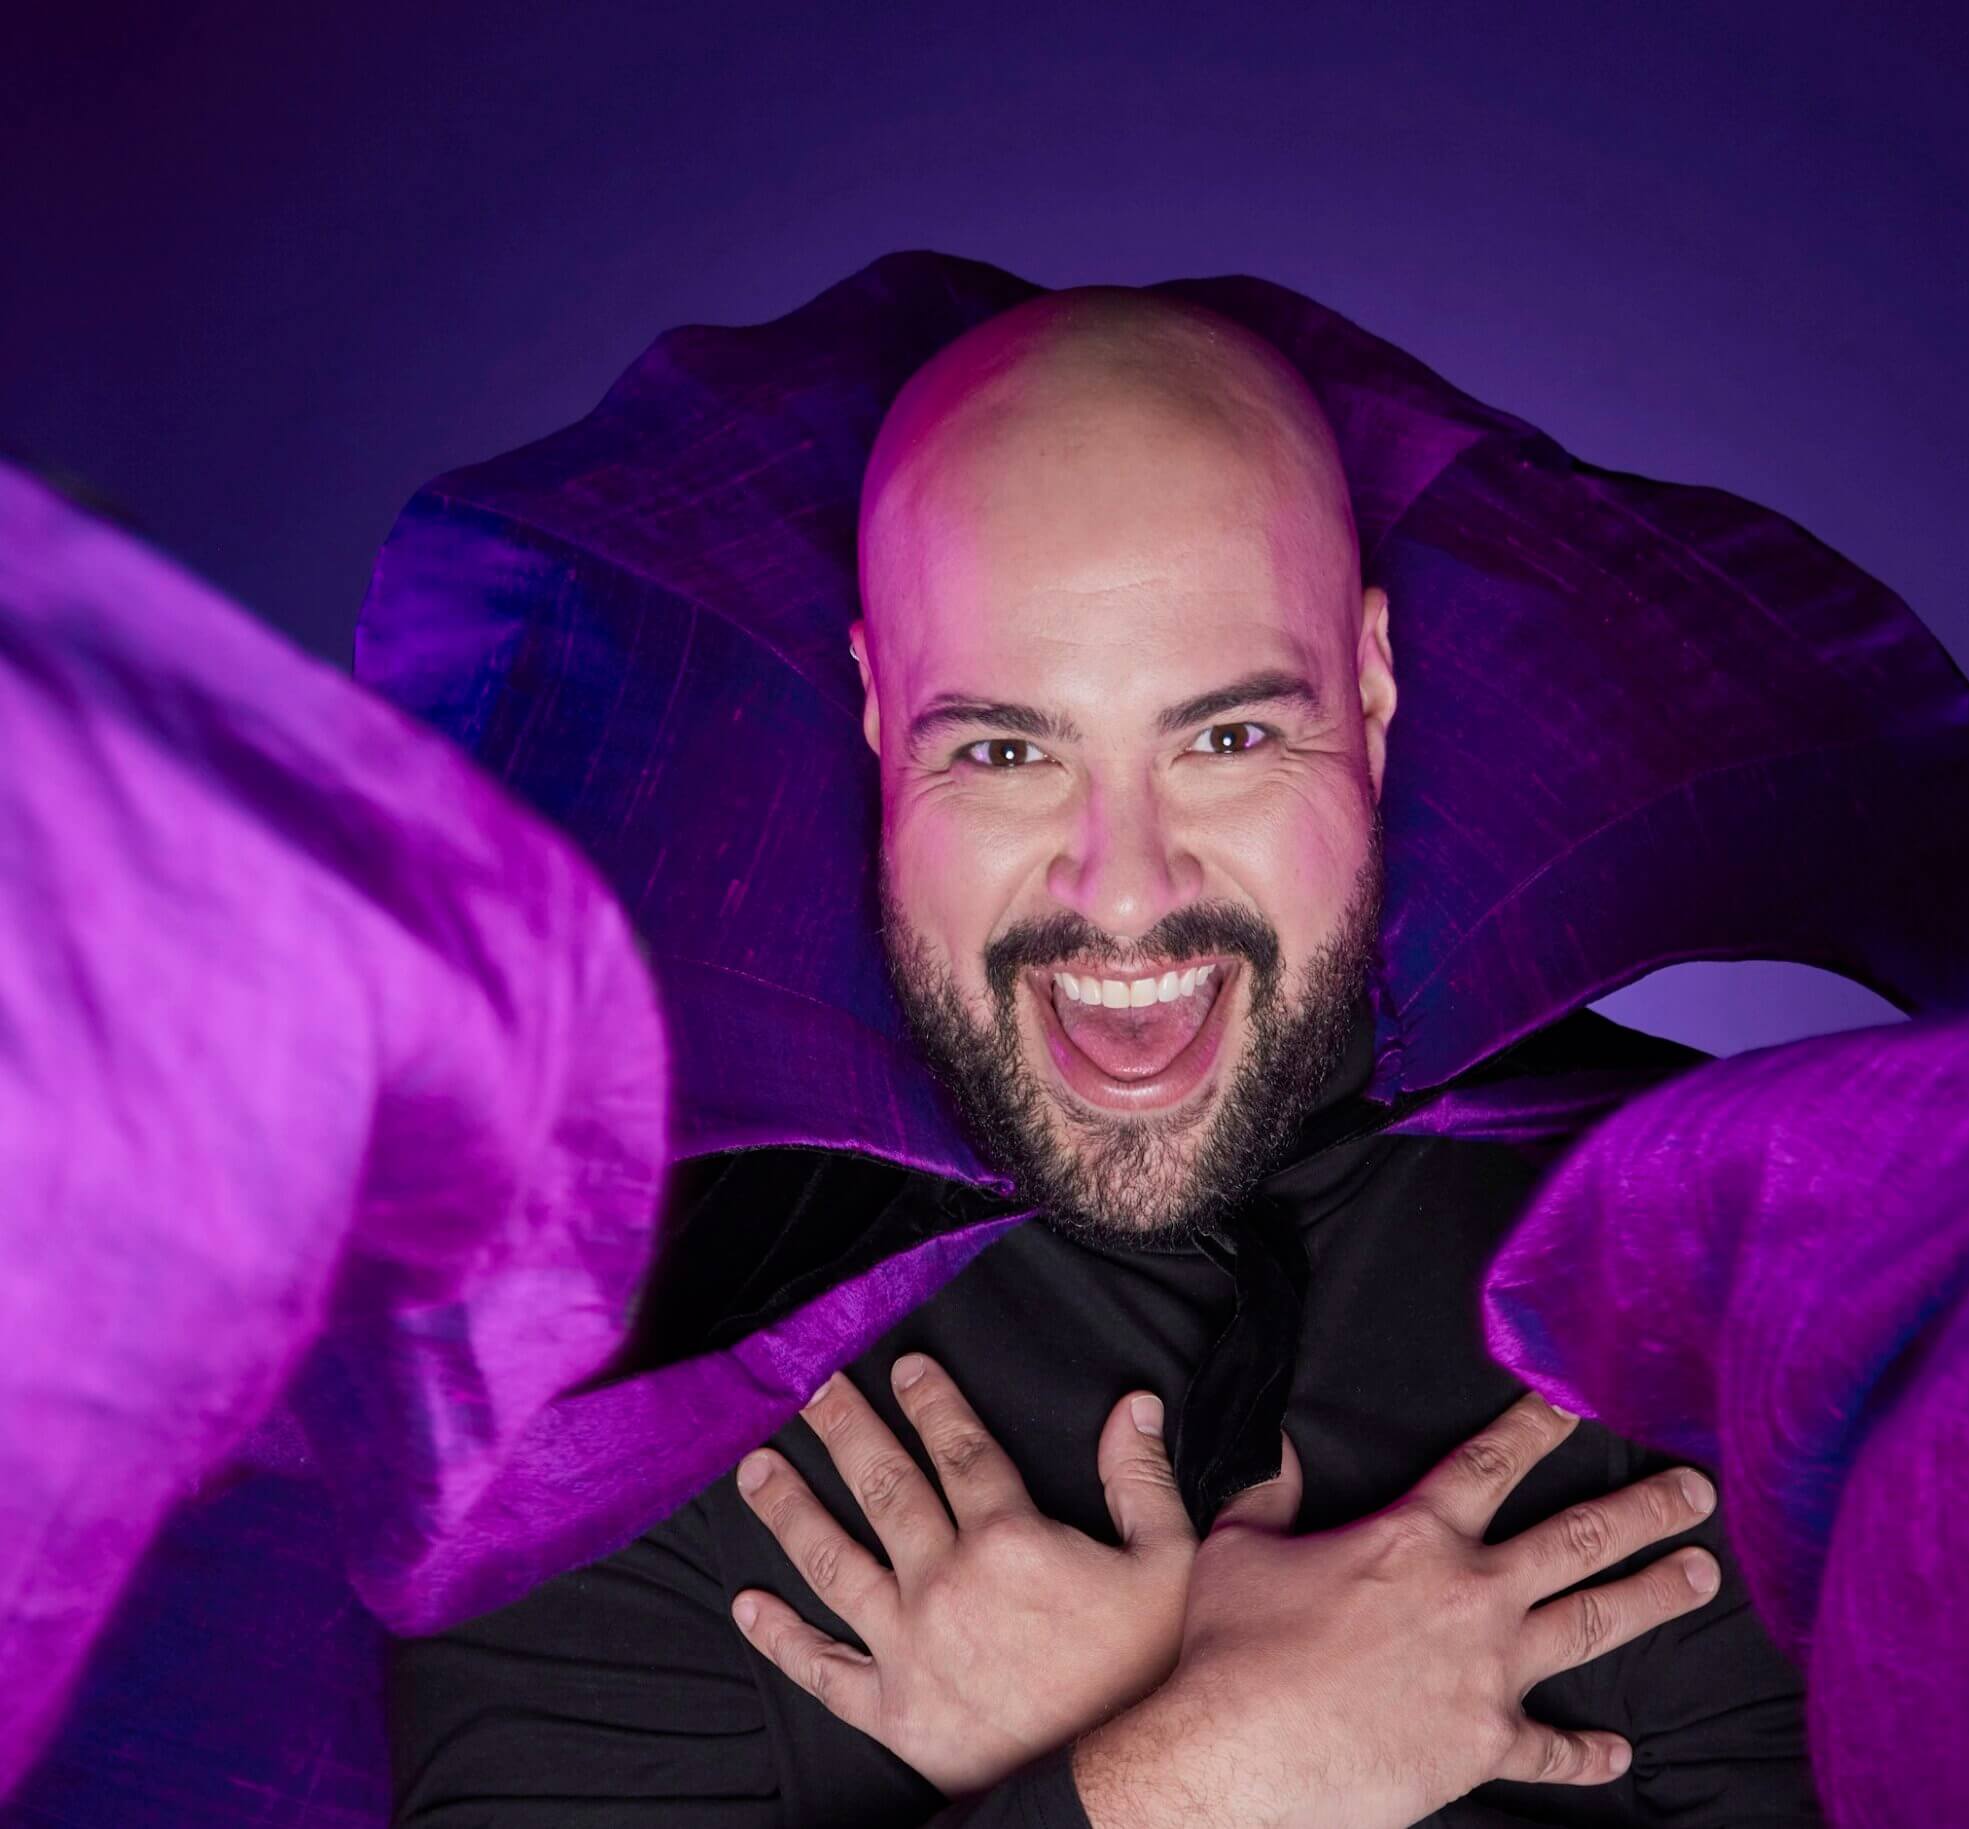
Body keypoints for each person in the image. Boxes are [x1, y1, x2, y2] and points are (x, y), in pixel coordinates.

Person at [389, 287, 1822, 1827]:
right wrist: (1191, 1773)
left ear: (1370, 687)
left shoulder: (1712, 1274)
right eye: (1009, 750)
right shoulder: (613, 1364)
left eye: (1226, 738)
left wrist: (1120, 1752)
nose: (1125, 889)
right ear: (878, 713)